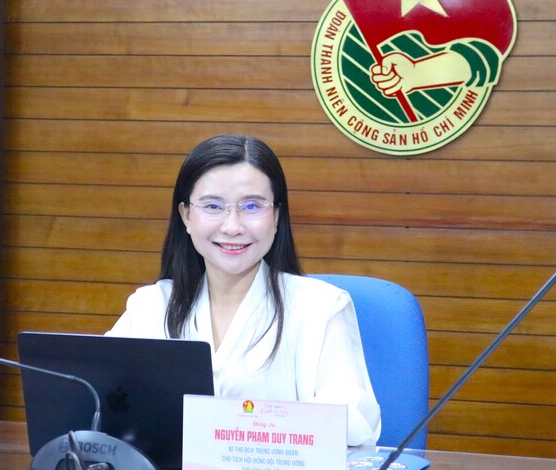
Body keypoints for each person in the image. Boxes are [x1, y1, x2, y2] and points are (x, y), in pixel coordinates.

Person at [106, 134, 381, 446]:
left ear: (276, 217)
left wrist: (247, 426)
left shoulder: (321, 308)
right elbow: (97, 400)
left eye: (252, 206)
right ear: (186, 216)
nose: (232, 227)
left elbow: (353, 423)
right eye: (213, 206)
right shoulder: (150, 307)